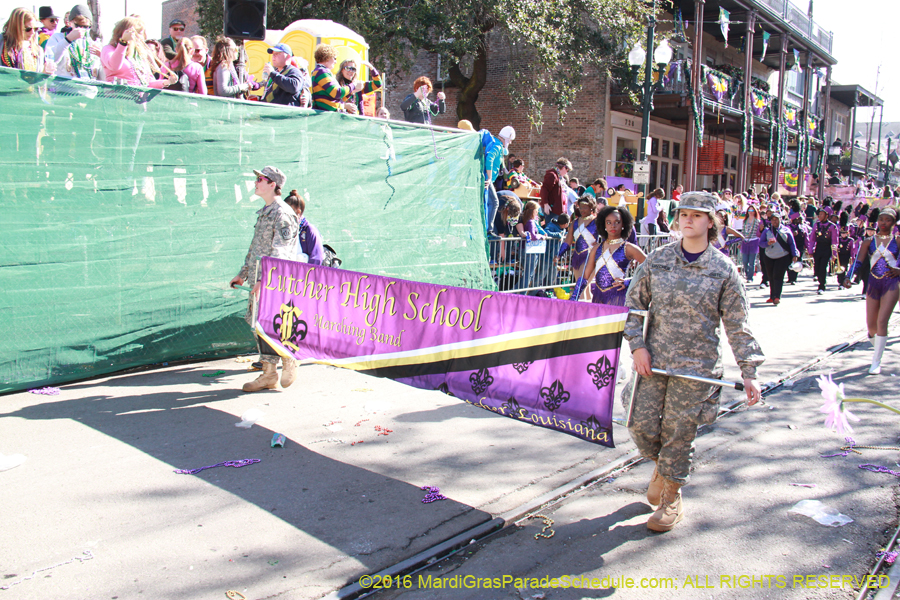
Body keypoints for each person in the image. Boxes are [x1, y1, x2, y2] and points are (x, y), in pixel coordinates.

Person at [624, 191, 764, 532]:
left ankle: (671, 497)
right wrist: (637, 346)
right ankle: (663, 466)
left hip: (696, 368)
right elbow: (634, 306)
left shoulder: (723, 269)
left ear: (711, 222)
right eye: (684, 213)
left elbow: (737, 324)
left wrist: (750, 372)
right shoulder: (657, 260)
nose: (689, 220)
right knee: (638, 423)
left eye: (698, 215)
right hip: (653, 362)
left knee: (678, 432)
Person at [228, 166, 300, 392]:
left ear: (273, 185)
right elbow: (255, 248)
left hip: (274, 281)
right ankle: (268, 374)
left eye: (260, 179)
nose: (256, 182)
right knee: (259, 325)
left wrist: (265, 280)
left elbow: (281, 252)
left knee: (275, 323)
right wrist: (243, 274)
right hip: (258, 279)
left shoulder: (283, 213)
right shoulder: (265, 212)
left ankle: (289, 358)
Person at [844, 206, 900, 374]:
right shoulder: (868, 241)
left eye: (888, 220)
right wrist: (848, 276)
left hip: (892, 284)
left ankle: (876, 362)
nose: (884, 223)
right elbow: (858, 261)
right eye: (881, 219)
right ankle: (878, 347)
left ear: (894, 223)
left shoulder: (897, 241)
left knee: (882, 321)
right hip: (873, 283)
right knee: (871, 326)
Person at [572, 205, 646, 306]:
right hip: (598, 299)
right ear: (604, 225)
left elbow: (651, 267)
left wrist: (629, 282)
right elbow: (584, 277)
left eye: (617, 222)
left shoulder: (629, 248)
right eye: (609, 222)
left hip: (618, 299)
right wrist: (573, 299)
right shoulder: (596, 249)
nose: (613, 226)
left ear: (623, 224)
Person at [102, 17, 176, 87]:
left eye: (142, 33)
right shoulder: (108, 49)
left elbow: (148, 83)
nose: (142, 37)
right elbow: (114, 66)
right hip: (116, 97)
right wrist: (123, 43)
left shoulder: (140, 55)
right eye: (138, 33)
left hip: (138, 99)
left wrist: (167, 82)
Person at [43, 4, 100, 80]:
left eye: (86, 27)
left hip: (88, 89)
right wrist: (68, 40)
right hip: (65, 89)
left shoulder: (93, 43)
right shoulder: (57, 38)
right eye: (78, 26)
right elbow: (52, 60)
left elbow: (100, 72)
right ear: (70, 23)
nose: (82, 29)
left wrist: (102, 56)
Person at [562, 195, 598, 299]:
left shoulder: (596, 222)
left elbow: (605, 238)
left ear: (591, 207)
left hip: (590, 257)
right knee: (585, 290)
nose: (582, 209)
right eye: (581, 207)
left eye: (585, 207)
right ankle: (589, 311)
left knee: (581, 287)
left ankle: (580, 311)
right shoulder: (575, 222)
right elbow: (568, 241)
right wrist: (559, 255)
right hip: (577, 257)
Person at [759, 212, 799, 305]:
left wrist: (794, 255)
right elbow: (761, 243)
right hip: (769, 256)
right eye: (773, 219)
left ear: (780, 220)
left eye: (776, 219)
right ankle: (772, 296)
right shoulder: (767, 231)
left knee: (778, 276)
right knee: (771, 276)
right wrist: (767, 243)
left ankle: (777, 296)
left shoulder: (786, 230)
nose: (775, 221)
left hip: (782, 256)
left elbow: (792, 244)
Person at [1, 8, 55, 73]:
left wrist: (45, 73)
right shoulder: (2, 44)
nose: (32, 32)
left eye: (35, 28)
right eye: (28, 29)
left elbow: (37, 79)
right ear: (16, 27)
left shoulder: (37, 51)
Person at [310, 43, 360, 111]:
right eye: (334, 58)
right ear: (327, 57)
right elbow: (337, 93)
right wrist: (354, 84)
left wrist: (352, 91)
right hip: (325, 115)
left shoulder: (321, 71)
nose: (336, 62)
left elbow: (338, 99)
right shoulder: (321, 72)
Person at [283, 191, 326, 264]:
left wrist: (308, 275)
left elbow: (317, 258)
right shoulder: (284, 229)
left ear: (298, 212)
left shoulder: (310, 230)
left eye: (287, 211)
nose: (284, 214)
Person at [809, 206, 838, 294]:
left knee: (823, 267)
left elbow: (834, 241)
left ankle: (822, 286)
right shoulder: (816, 224)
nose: (819, 216)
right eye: (819, 214)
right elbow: (812, 238)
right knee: (816, 267)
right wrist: (810, 250)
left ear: (826, 215)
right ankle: (820, 279)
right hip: (818, 248)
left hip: (826, 248)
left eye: (821, 214)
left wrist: (834, 254)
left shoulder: (832, 226)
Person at [740, 205, 762, 282]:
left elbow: (759, 232)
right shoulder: (745, 221)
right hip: (745, 241)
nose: (751, 212)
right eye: (749, 211)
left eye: (752, 211)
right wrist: (741, 242)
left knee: (751, 262)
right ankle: (747, 274)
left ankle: (750, 277)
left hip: (754, 241)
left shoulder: (757, 221)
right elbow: (742, 232)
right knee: (745, 261)